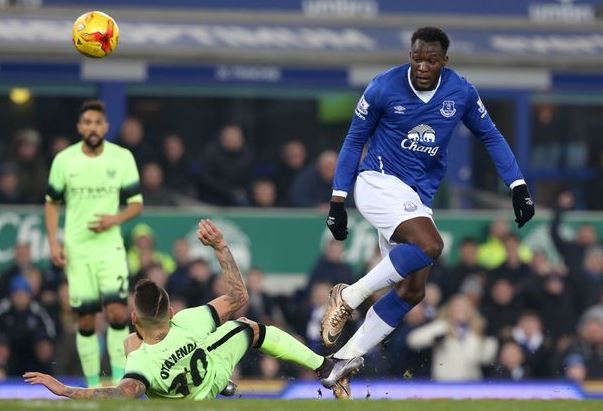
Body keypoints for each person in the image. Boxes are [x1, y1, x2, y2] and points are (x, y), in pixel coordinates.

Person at [321, 27, 535, 368]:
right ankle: (348, 297)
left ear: (444, 61)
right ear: (410, 56)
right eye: (417, 58)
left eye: (431, 60)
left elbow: (491, 136)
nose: (422, 66)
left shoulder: (460, 92)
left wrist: (518, 186)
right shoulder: (382, 87)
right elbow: (353, 140)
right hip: (377, 182)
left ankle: (344, 358)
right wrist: (337, 200)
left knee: (412, 290)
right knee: (431, 245)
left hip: (416, 197)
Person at [24, 220, 363, 399]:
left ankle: (324, 369)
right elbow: (238, 294)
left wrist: (65, 390)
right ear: (170, 311)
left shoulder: (139, 358)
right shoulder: (188, 321)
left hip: (185, 396)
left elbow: (122, 394)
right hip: (213, 373)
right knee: (249, 327)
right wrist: (220, 246)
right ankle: (325, 367)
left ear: (134, 317)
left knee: (132, 348)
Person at [44, 100, 144, 387]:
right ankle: (91, 384)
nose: (92, 127)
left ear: (106, 127)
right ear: (79, 127)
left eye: (98, 122)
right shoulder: (64, 160)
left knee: (117, 313)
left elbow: (136, 205)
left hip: (109, 247)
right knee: (86, 319)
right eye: (87, 122)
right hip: (77, 249)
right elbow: (51, 203)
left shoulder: (122, 157)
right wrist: (54, 242)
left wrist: (113, 220)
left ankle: (115, 381)